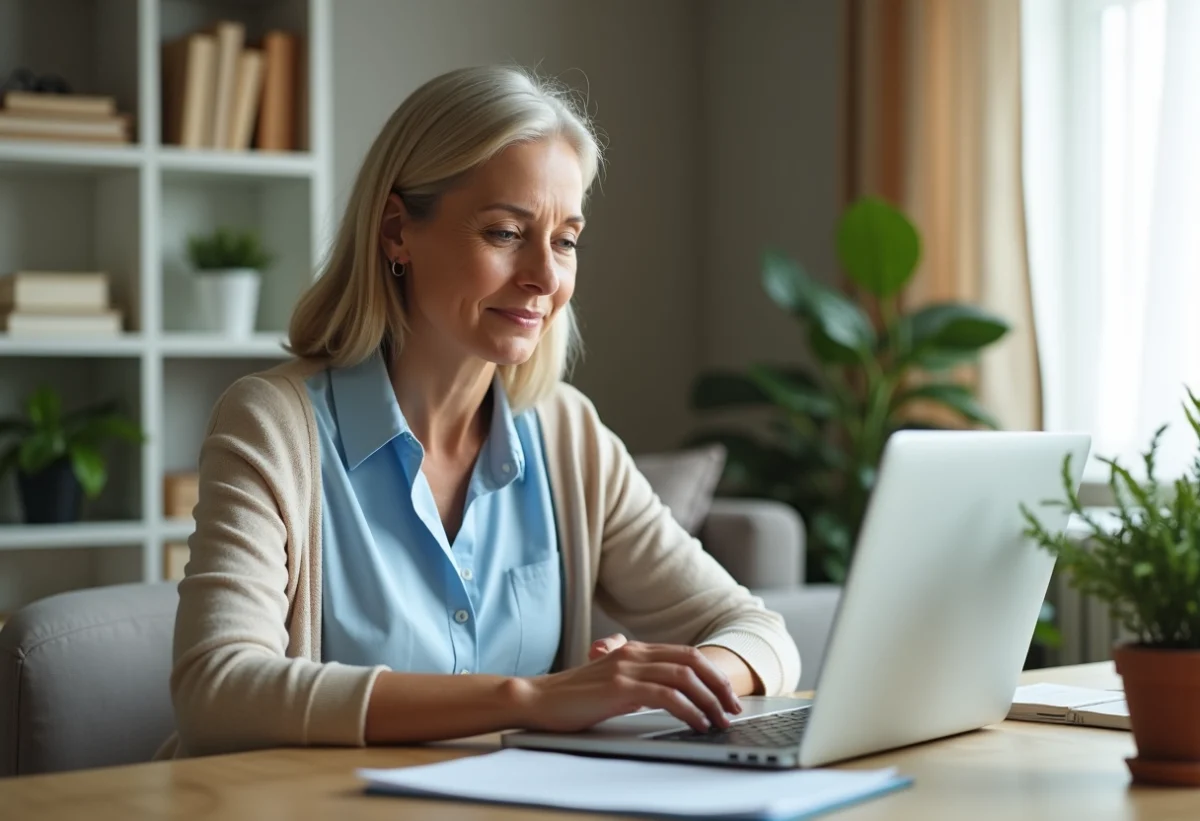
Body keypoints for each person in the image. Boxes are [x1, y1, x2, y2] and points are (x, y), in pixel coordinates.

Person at [163, 64, 800, 758]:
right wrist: (531, 700)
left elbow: (757, 630)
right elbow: (216, 689)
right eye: (504, 232)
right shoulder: (271, 424)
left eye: (565, 239)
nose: (546, 277)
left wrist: (667, 679)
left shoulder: (566, 433)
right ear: (397, 232)